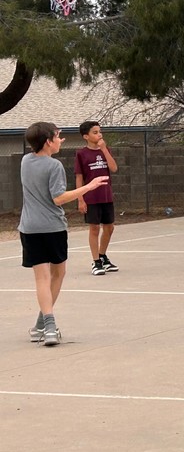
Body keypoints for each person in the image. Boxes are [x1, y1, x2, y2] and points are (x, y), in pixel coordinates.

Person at [20, 122, 110, 346]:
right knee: (57, 274)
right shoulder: (54, 166)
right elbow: (58, 198)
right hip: (52, 228)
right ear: (48, 142)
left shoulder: (25, 161)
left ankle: (42, 324)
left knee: (41, 278)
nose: (62, 140)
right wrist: (89, 187)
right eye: (59, 136)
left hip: (29, 228)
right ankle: (50, 327)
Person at [74, 120, 119, 275]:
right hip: (91, 197)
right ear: (86, 136)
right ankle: (96, 262)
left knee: (109, 227)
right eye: (95, 132)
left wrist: (104, 149)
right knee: (94, 228)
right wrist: (80, 198)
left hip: (106, 195)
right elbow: (79, 177)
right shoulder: (81, 154)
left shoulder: (105, 150)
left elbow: (113, 168)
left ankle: (103, 256)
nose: (99, 134)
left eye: (100, 131)